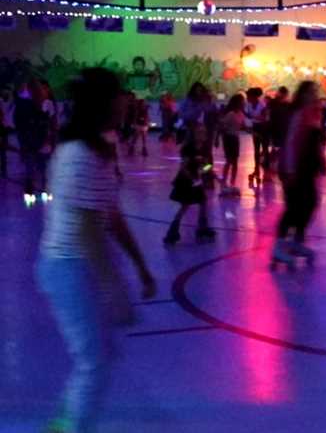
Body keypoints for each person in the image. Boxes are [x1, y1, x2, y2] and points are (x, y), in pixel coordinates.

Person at [38, 68, 156, 433]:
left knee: (97, 356)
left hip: (82, 263)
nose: (127, 100)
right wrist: (113, 286)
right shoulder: (78, 153)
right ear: (104, 102)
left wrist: (139, 266)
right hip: (66, 265)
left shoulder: (102, 146)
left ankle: (65, 422)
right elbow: (89, 229)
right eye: (120, 93)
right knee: (94, 360)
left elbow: (112, 214)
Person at [272, 81, 326, 262]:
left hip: (307, 168)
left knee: (309, 203)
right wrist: (290, 169)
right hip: (294, 167)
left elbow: (315, 142)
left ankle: (297, 241)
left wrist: (321, 160)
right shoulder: (298, 114)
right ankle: (278, 246)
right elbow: (290, 142)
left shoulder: (312, 113)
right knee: (294, 207)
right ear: (302, 95)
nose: (314, 95)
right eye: (311, 92)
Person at [163, 125, 215, 245]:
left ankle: (202, 228)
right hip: (185, 180)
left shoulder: (205, 148)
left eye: (203, 132)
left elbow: (206, 165)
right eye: (199, 132)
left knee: (203, 201)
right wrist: (193, 178)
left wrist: (205, 171)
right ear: (194, 134)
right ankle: (172, 231)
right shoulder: (188, 148)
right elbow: (183, 168)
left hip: (196, 179)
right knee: (185, 205)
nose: (201, 135)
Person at [14, 79, 51, 196]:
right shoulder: (28, 106)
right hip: (34, 141)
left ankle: (33, 192)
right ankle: (36, 191)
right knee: (37, 168)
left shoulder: (33, 106)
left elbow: (45, 123)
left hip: (35, 141)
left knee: (35, 168)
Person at [219, 94, 246, 194]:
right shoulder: (230, 114)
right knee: (229, 160)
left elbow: (243, 126)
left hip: (235, 139)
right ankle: (224, 181)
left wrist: (252, 131)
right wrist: (221, 136)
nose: (243, 103)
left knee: (235, 162)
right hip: (229, 138)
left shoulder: (241, 114)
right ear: (237, 102)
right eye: (242, 101)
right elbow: (223, 125)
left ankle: (232, 183)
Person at [245, 87, 270, 187]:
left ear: (254, 96)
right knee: (256, 149)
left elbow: (264, 118)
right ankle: (256, 169)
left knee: (264, 149)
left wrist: (253, 117)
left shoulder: (262, 105)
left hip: (264, 128)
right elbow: (248, 116)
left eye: (249, 96)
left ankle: (266, 171)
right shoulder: (249, 104)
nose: (247, 97)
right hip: (256, 127)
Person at [268, 86, 291, 167]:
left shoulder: (283, 103)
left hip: (280, 127)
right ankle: (275, 163)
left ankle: (276, 163)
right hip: (279, 127)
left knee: (279, 146)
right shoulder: (277, 103)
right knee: (278, 145)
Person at [0, 88, 13, 178]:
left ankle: (4, 170)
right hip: (3, 126)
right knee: (3, 150)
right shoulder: (2, 101)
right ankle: (4, 170)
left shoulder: (9, 102)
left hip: (4, 127)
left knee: (3, 150)